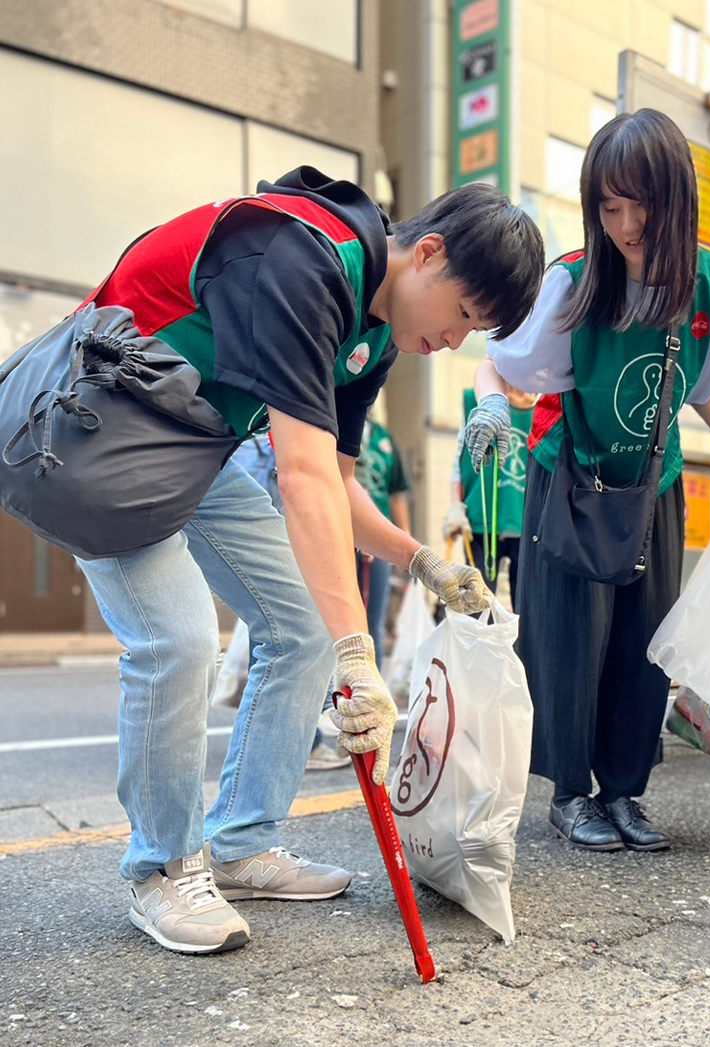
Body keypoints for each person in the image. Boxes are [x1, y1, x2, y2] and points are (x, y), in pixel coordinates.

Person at [11, 166, 543, 953]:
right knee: (179, 640)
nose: (454, 342)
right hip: (101, 427)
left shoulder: (372, 340)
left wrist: (419, 558)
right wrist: (361, 655)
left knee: (301, 626)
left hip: (196, 443)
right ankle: (162, 869)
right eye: (462, 314)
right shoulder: (305, 259)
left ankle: (238, 845)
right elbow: (296, 474)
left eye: (474, 334)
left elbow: (333, 480)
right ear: (427, 253)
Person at [466, 110, 710, 853]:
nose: (627, 223)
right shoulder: (574, 282)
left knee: (643, 644)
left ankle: (625, 793)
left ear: (677, 199)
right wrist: (485, 405)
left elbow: (697, 382)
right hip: (570, 479)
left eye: (642, 202)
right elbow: (501, 365)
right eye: (608, 205)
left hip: (651, 484)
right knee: (571, 640)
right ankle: (570, 794)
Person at [209, 434, 350, 772]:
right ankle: (297, 745)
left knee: (298, 636)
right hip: (259, 529)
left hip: (278, 528)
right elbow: (300, 477)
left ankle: (291, 747)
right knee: (287, 637)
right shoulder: (255, 437)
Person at [444, 384, 538, 607]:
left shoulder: (544, 404)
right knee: (477, 609)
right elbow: (460, 459)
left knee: (528, 615)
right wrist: (457, 507)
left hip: (528, 523)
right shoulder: (477, 402)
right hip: (481, 521)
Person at [354, 408, 413, 667]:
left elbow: (397, 491)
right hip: (342, 533)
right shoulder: (337, 428)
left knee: (373, 618)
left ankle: (373, 689)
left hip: (377, 539)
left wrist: (405, 540)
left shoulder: (383, 439)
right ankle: (333, 692)